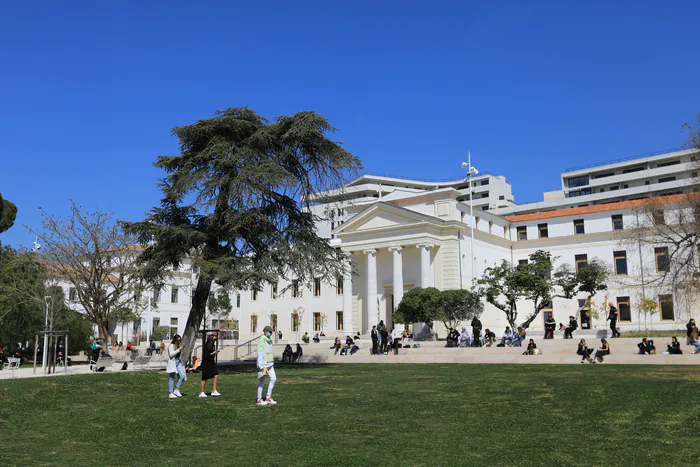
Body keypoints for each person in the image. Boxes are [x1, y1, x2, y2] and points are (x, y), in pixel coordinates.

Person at [256, 326, 277, 406]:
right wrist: (261, 365)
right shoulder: (262, 340)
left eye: (271, 332)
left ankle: (268, 397)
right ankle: (259, 399)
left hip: (270, 363)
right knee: (262, 381)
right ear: (265, 332)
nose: (271, 333)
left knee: (273, 378)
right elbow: (260, 352)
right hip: (264, 364)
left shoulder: (269, 340)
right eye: (269, 332)